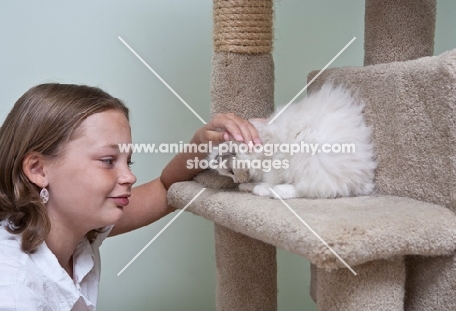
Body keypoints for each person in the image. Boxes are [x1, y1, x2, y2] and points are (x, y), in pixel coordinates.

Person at [0, 83, 261, 310]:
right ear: (38, 169)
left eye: (129, 162)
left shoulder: (79, 230)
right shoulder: (13, 286)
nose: (129, 177)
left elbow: (164, 188)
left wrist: (202, 143)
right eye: (108, 161)